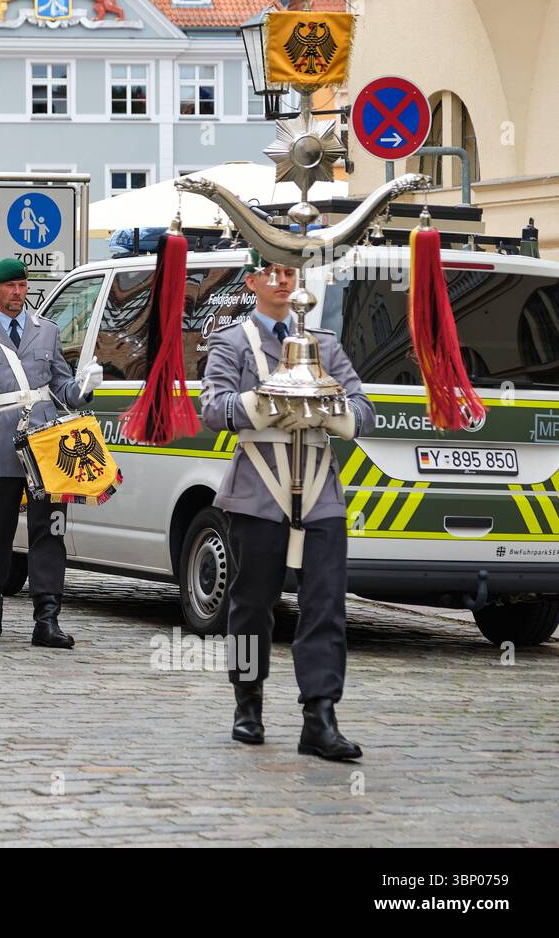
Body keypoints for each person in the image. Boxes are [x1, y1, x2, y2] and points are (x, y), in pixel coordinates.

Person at [200, 255, 372, 762]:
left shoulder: (326, 345)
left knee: (325, 606)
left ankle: (319, 716)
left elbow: (363, 410)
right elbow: (214, 409)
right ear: (251, 281)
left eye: (290, 273)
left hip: (319, 490)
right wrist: (269, 402)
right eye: (270, 272)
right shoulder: (231, 341)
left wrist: (325, 408)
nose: (282, 281)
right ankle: (247, 703)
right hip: (259, 487)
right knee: (251, 604)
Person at [0, 258, 102, 647]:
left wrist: (84, 387)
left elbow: (62, 388)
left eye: (22, 285)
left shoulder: (46, 331)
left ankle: (47, 615)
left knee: (49, 529)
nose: (17, 292)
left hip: (45, 444)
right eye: (10, 286)